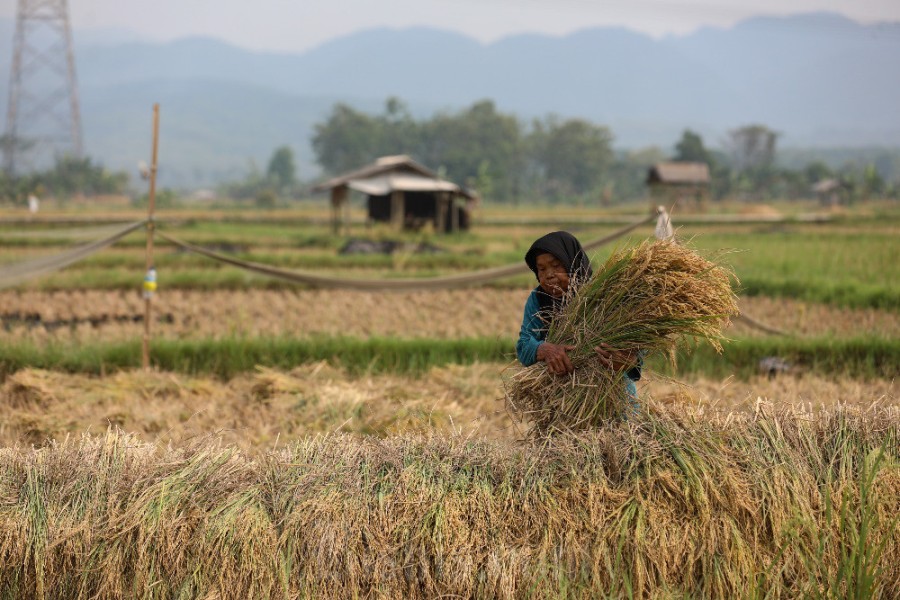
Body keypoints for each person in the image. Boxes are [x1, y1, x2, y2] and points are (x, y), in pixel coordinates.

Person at [516, 231, 642, 403]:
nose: (549, 275)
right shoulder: (538, 299)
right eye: (542, 269)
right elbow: (523, 346)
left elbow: (638, 346)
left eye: (557, 265)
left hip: (614, 398)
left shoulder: (604, 294)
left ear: (572, 263)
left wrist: (628, 360)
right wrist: (545, 349)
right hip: (559, 401)